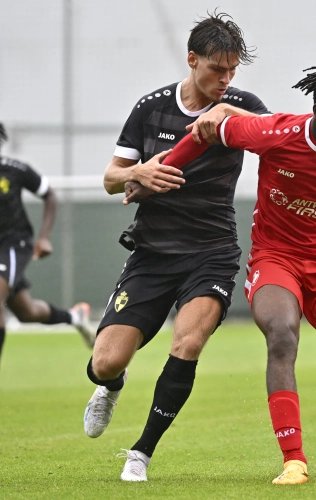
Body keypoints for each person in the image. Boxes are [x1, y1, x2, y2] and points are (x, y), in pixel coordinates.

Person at [130, 66, 316, 485]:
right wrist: (160, 175)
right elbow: (207, 131)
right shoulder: (276, 134)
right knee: (282, 335)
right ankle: (294, 460)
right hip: (276, 259)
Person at [80, 12, 270, 482]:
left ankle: (140, 453)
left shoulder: (241, 104)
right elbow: (109, 179)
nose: (225, 80)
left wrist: (231, 114)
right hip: (152, 253)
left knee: (187, 342)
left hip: (211, 252)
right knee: (104, 362)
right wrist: (137, 172)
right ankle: (111, 386)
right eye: (216, 69)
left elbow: (278, 135)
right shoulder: (151, 108)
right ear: (192, 59)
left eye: (232, 71)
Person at [0, 122, 94, 366]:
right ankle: (75, 317)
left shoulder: (13, 169)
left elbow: (49, 194)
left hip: (12, 244)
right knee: (27, 312)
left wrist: (44, 237)